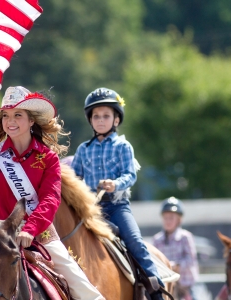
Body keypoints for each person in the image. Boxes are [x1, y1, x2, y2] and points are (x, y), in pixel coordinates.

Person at [0, 86, 104, 300]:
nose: (10, 121)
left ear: (31, 121)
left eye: (17, 115)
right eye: (6, 115)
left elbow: (50, 199)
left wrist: (30, 229)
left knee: (86, 292)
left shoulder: (48, 159)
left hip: (39, 235)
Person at [71, 87, 166, 300]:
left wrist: (115, 184)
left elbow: (130, 175)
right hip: (91, 209)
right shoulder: (83, 149)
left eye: (106, 116)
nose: (101, 120)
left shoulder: (124, 146)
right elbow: (73, 178)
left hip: (116, 207)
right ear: (90, 120)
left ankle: (155, 288)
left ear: (116, 119)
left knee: (134, 241)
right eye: (96, 116)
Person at [153, 197, 199, 300]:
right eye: (166, 217)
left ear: (179, 220)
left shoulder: (185, 237)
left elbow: (191, 261)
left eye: (171, 218)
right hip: (166, 288)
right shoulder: (157, 239)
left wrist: (174, 265)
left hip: (185, 287)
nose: (168, 221)